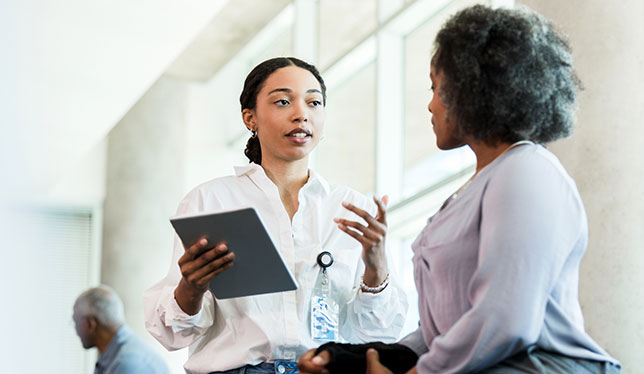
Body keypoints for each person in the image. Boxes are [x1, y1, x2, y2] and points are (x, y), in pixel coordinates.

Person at [298, 5, 621, 374]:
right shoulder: (470, 192)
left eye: (436, 87)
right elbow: (443, 333)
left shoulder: (526, 170)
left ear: (473, 88)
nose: (430, 104)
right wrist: (361, 358)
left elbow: (504, 319)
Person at [143, 57, 407, 374]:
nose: (301, 114)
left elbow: (378, 335)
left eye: (314, 102)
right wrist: (191, 286)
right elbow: (174, 335)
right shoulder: (211, 201)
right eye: (283, 101)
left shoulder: (351, 208)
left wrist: (377, 268)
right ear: (250, 118)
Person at [72, 285, 170, 374]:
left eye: (75, 321)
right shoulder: (116, 354)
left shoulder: (129, 363)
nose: (75, 330)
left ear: (90, 324)